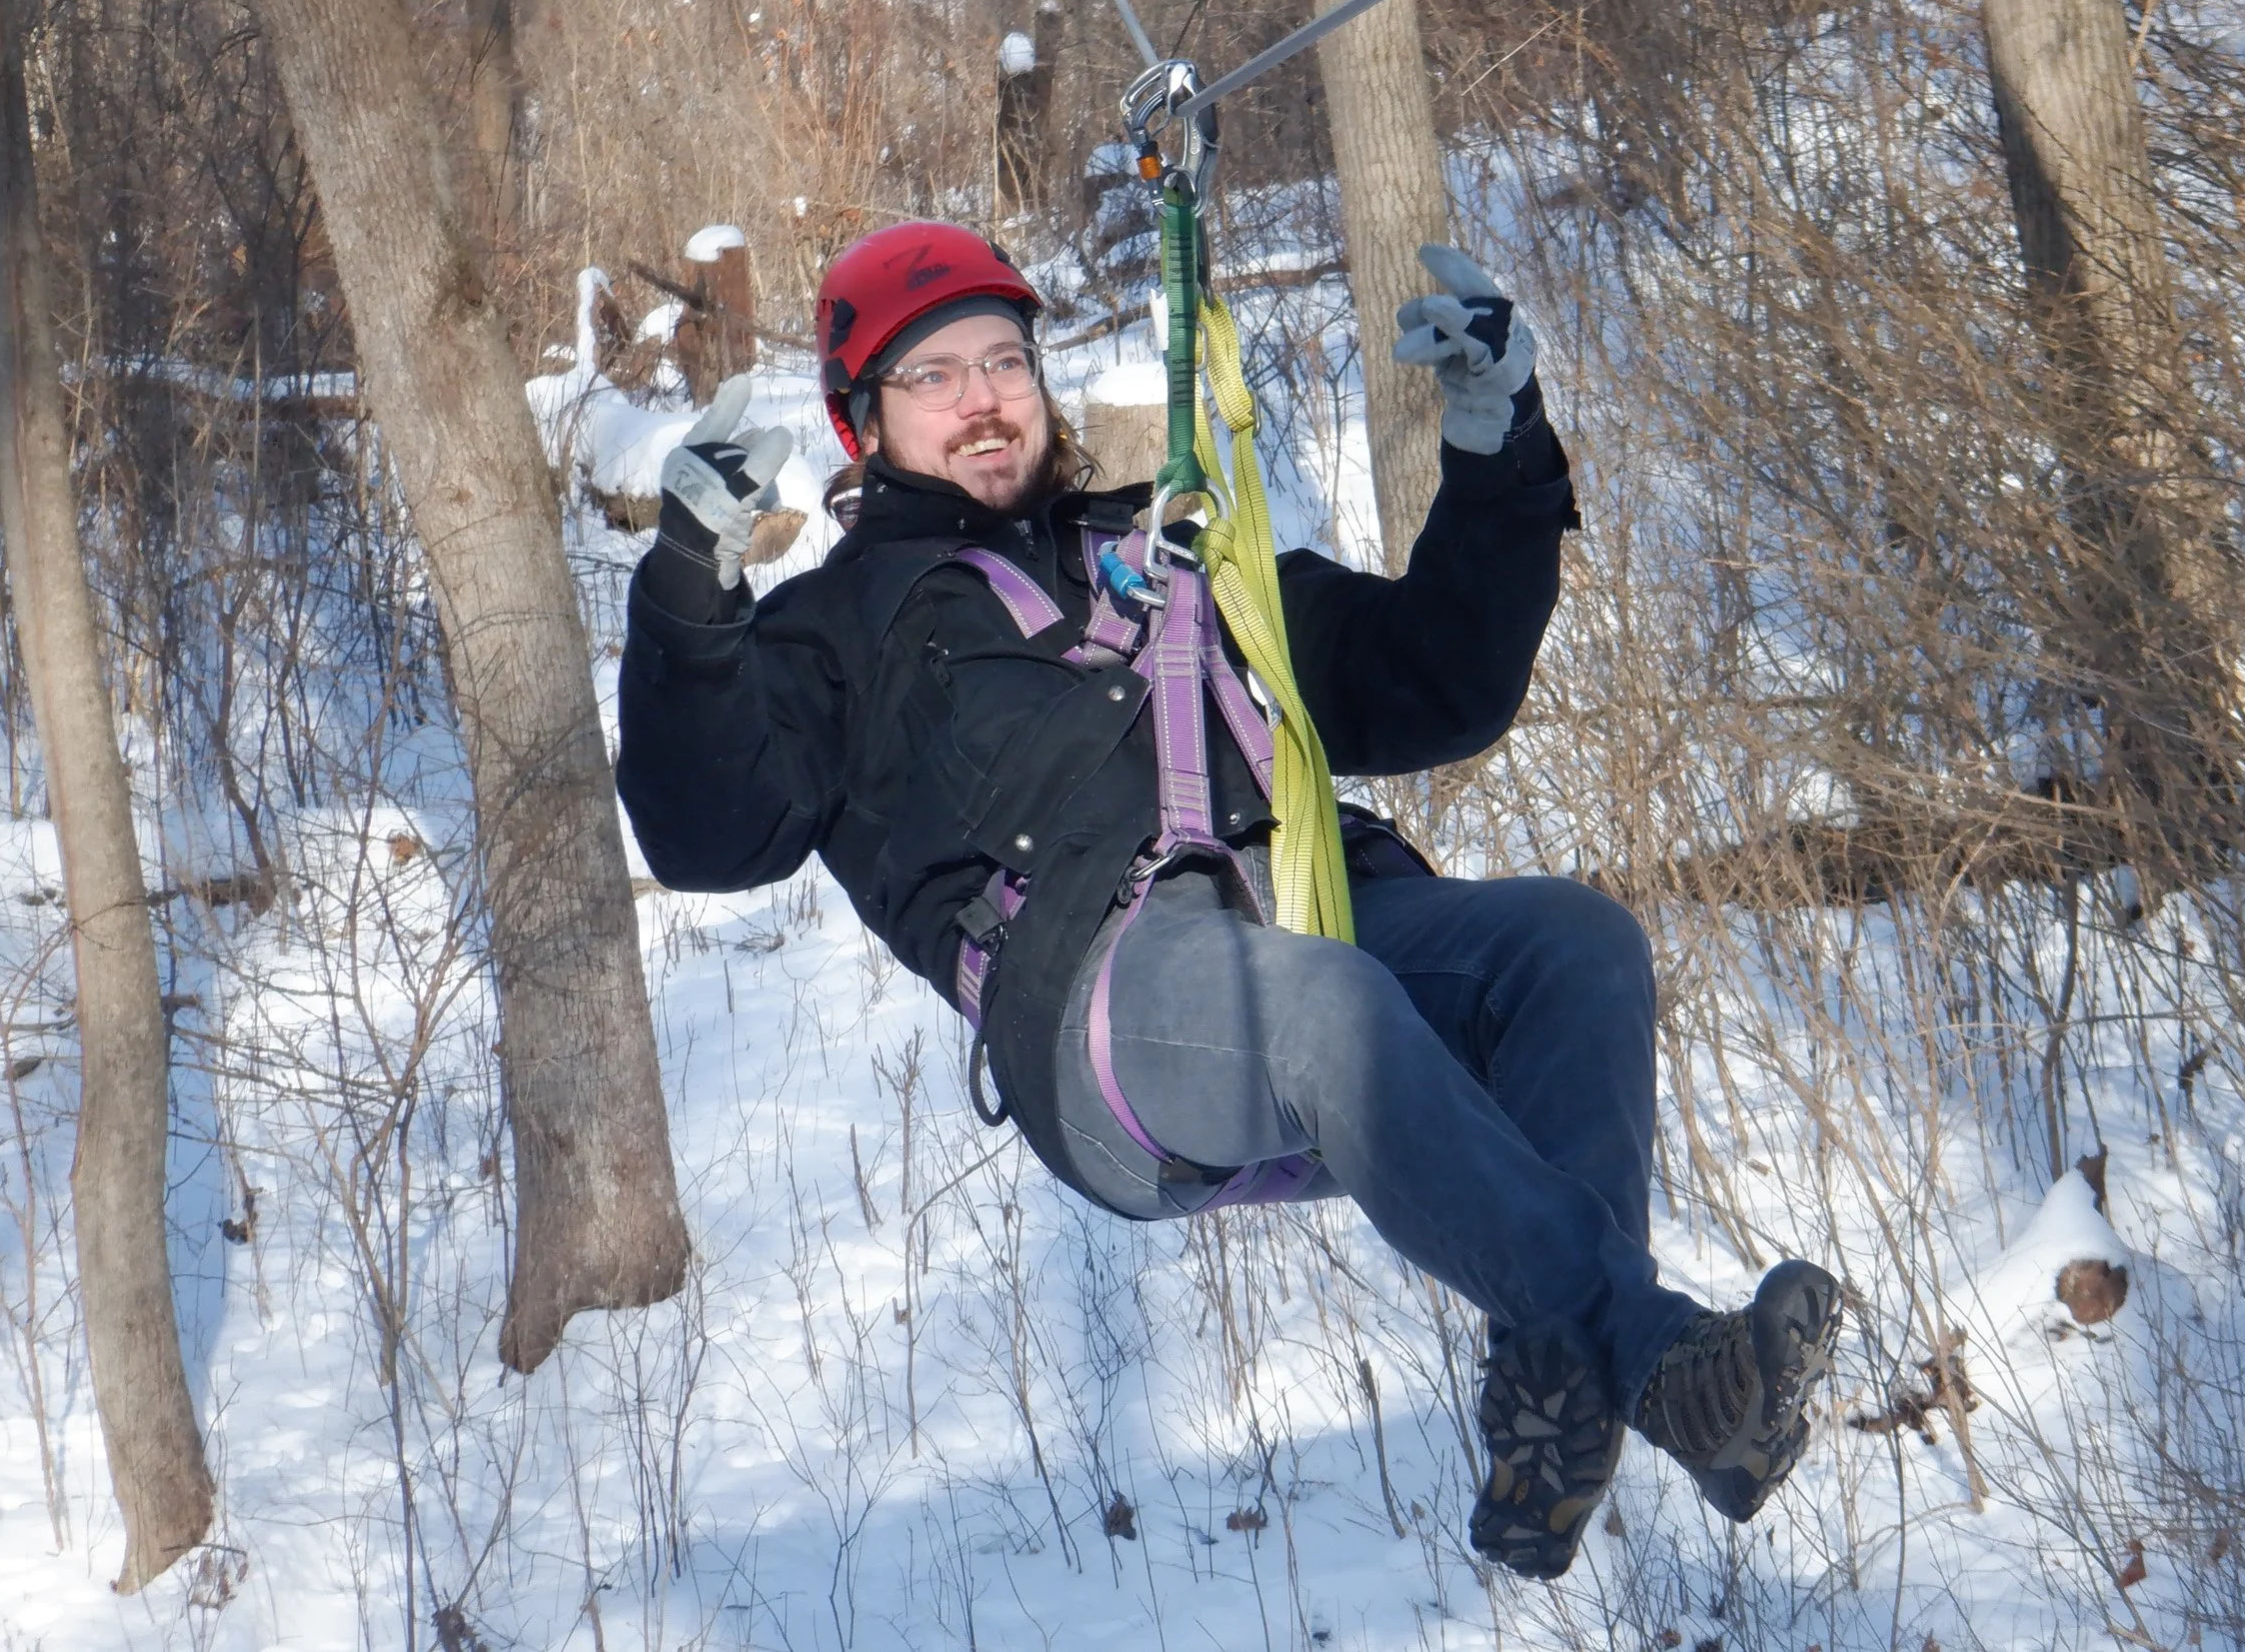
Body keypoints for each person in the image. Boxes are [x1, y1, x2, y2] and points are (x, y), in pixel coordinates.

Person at [615, 220, 1841, 1579]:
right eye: (934, 376)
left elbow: (1442, 676)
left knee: (1574, 945)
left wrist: (1502, 444)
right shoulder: (831, 633)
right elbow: (709, 832)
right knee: (1326, 1008)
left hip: (1308, 921)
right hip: (1108, 1011)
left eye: (1006, 363)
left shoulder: (1170, 551)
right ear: (863, 425)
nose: (983, 400)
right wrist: (687, 590)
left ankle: (1554, 1410)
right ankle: (1658, 1357)